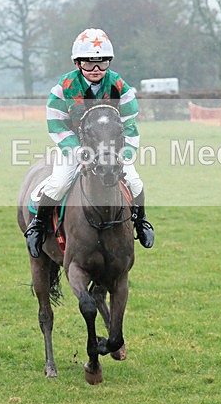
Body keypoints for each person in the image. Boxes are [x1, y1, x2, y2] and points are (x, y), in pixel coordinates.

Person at [24, 27, 154, 258]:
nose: (96, 70)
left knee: (134, 181)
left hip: (111, 149)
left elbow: (129, 124)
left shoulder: (120, 86)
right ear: (78, 63)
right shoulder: (63, 88)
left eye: (102, 63)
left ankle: (141, 221)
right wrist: (78, 151)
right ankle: (38, 225)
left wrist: (124, 154)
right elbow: (57, 125)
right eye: (89, 63)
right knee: (59, 183)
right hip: (75, 147)